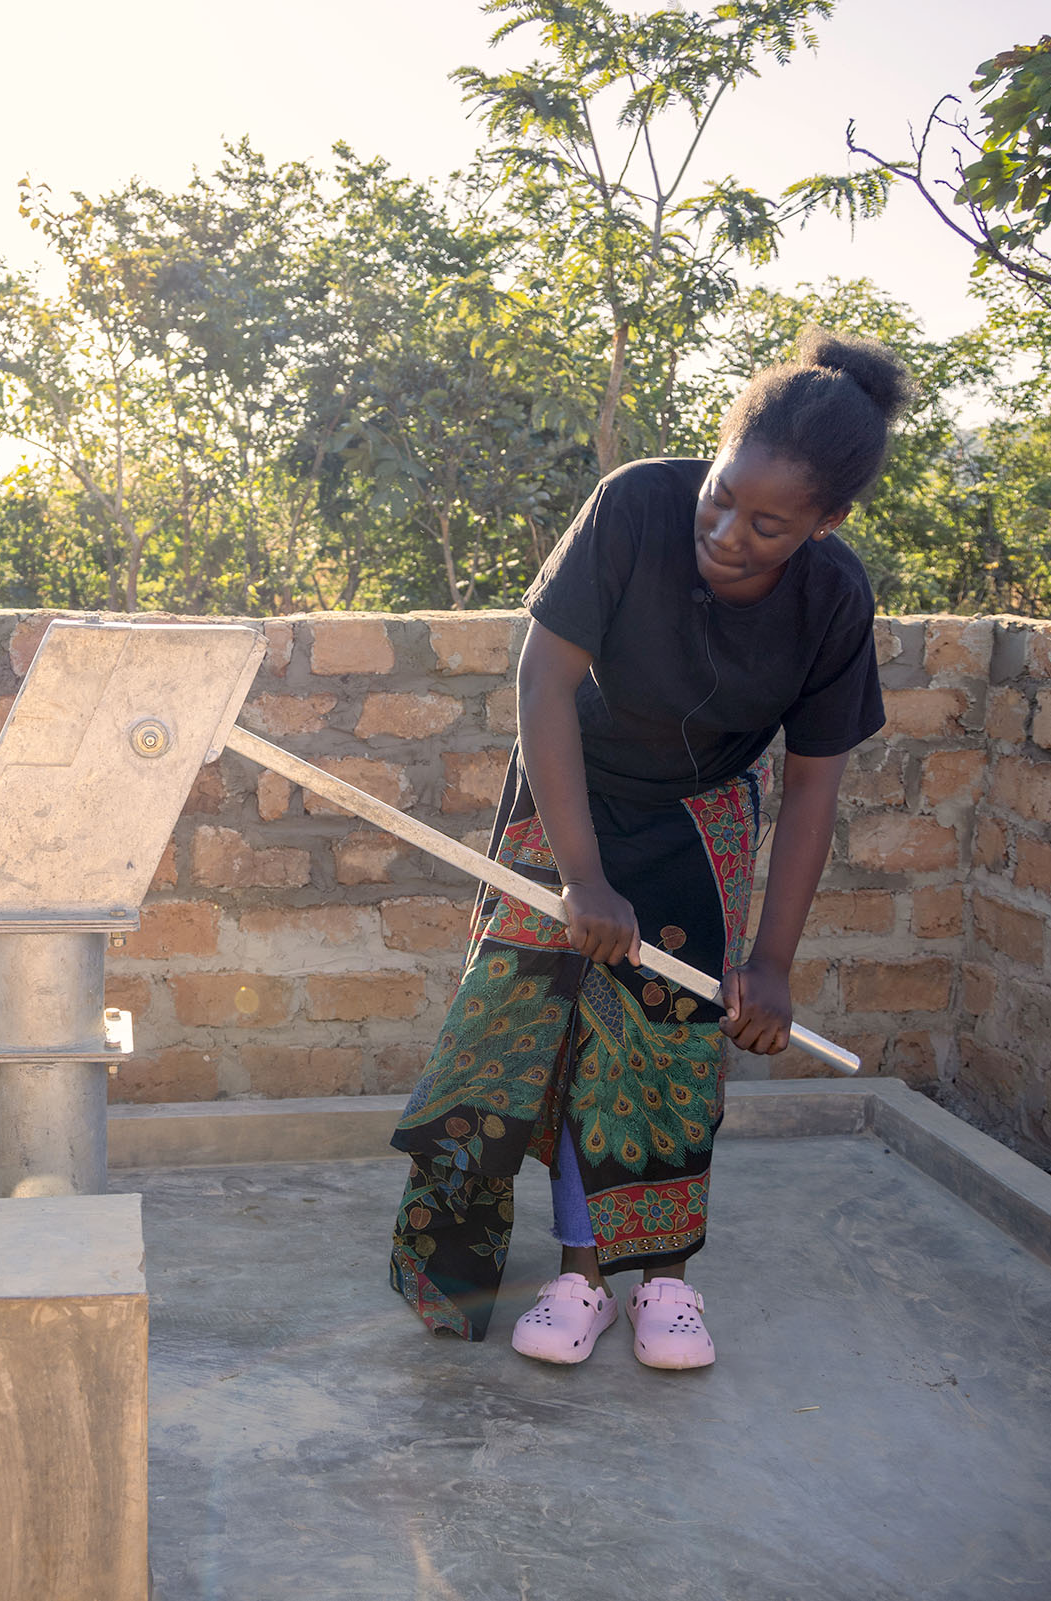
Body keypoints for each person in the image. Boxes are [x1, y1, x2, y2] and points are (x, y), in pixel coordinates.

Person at [387, 327, 907, 1370]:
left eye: (770, 524)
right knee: (516, 1031)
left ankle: (645, 1281)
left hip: (699, 815)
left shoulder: (834, 600)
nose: (728, 531)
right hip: (568, 787)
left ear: (827, 522)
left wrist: (770, 963)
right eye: (720, 496)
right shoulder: (632, 505)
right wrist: (581, 876)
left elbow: (811, 786)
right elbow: (541, 683)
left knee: (660, 1048)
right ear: (711, 456)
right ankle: (520, 1272)